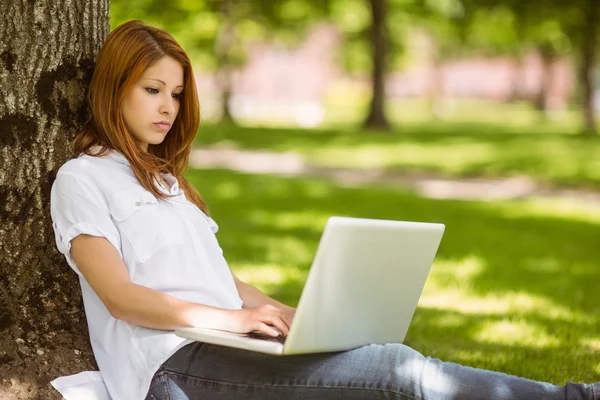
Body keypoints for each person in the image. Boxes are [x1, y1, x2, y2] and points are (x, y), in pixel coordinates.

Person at [49, 20, 599, 400]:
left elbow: (215, 278)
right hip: (171, 369)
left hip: (223, 342)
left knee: (379, 358)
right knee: (397, 377)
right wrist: (234, 322)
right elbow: (120, 298)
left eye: (176, 93)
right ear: (114, 88)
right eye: (152, 90)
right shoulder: (83, 179)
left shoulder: (165, 178)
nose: (168, 107)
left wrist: (288, 314)